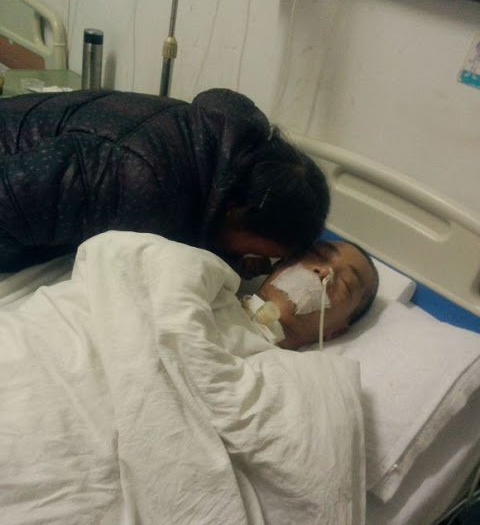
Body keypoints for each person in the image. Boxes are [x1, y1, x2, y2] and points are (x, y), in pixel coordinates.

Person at [0, 87, 330, 274]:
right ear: (236, 210)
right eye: (257, 250)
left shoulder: (214, 144)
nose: (254, 260)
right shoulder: (144, 181)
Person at [246, 239, 379, 350]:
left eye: (345, 282)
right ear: (283, 262)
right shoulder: (231, 281)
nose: (324, 271)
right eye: (318, 256)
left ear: (336, 331)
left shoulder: (292, 372)